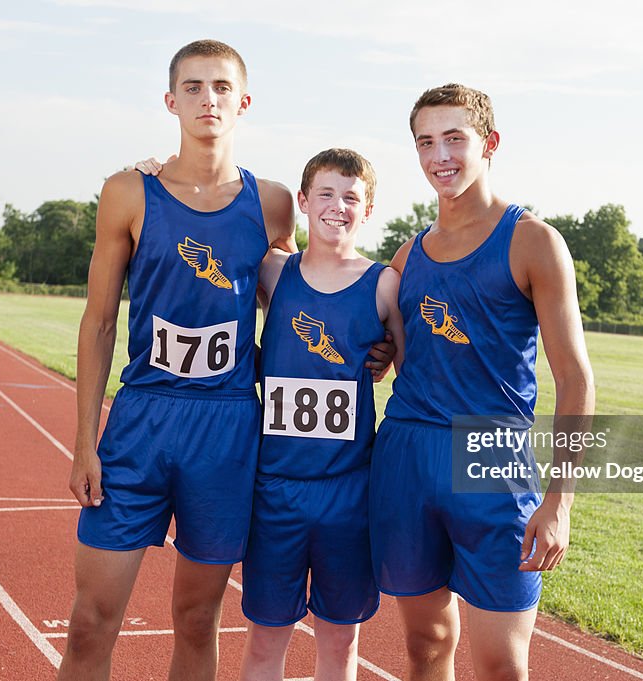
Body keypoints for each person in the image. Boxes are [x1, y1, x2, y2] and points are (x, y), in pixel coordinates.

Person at [58, 39, 298, 681]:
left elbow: (298, 305)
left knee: (197, 620)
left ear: (243, 102)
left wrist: (373, 341)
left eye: (220, 87)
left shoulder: (274, 203)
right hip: (140, 422)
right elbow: (100, 319)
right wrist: (85, 440)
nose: (207, 99)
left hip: (226, 427)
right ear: (171, 101)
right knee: (89, 622)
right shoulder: (128, 192)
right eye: (192, 87)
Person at [369, 83, 595, 681]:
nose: (439, 155)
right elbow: (376, 337)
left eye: (454, 139)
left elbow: (575, 380)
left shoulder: (534, 242)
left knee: (500, 664)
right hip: (408, 455)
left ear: (489, 144)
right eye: (425, 142)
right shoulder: (406, 256)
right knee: (425, 647)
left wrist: (560, 502)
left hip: (490, 460)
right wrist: (376, 354)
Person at [238, 148, 404, 681]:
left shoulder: (383, 285)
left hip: (348, 493)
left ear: (369, 208)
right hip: (276, 489)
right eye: (326, 195)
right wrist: (163, 165)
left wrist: (381, 359)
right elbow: (217, 203)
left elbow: (413, 371)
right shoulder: (272, 272)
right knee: (265, 641)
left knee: (340, 641)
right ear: (304, 203)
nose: (338, 207)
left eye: (352, 197)